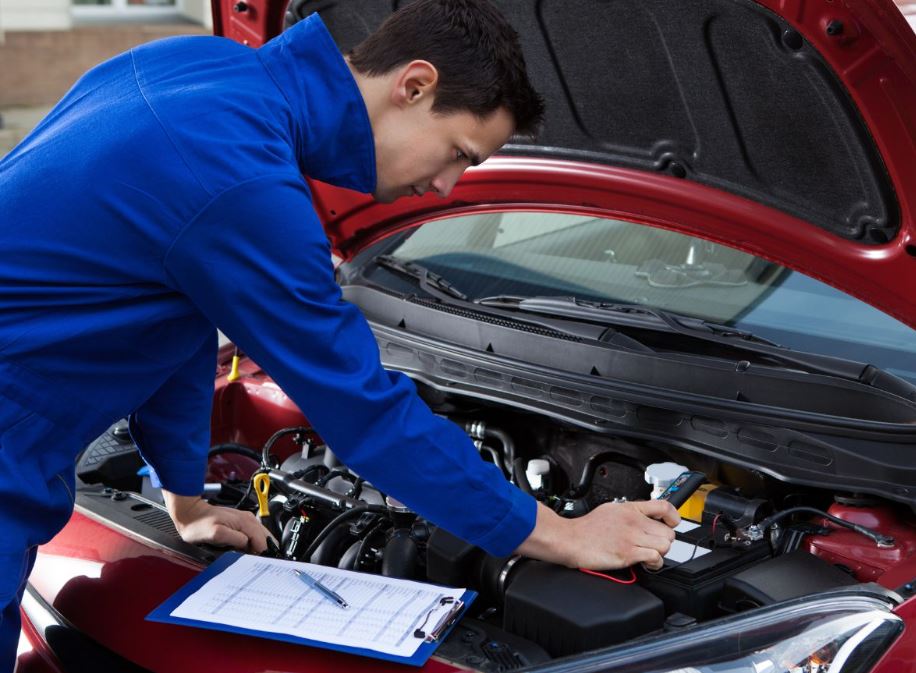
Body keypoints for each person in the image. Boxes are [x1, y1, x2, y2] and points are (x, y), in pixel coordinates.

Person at [0, 0, 678, 668]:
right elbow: (366, 416)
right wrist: (559, 534)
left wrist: (185, 497)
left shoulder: (195, 66)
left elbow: (175, 318)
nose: (446, 187)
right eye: (458, 154)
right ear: (414, 86)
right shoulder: (244, 178)